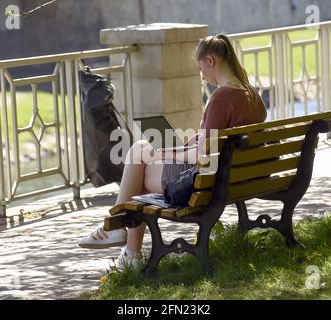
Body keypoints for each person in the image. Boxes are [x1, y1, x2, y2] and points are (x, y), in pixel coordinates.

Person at [78, 34, 267, 269]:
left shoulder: (221, 98)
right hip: (237, 178)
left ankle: (119, 232)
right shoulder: (253, 95)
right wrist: (178, 147)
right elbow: (216, 144)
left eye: (201, 68)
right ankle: (127, 250)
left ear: (210, 60)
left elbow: (202, 156)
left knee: (139, 157)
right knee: (143, 152)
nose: (202, 76)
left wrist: (167, 153)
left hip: (205, 185)